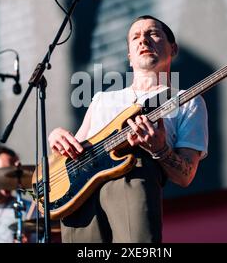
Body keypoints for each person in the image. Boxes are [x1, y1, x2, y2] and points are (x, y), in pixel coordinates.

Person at [48, 15, 208, 243]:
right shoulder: (102, 99)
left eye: (153, 34)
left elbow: (185, 176)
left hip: (132, 180)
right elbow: (73, 152)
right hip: (81, 199)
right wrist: (57, 139)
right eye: (135, 37)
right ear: (130, 57)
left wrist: (160, 149)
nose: (143, 40)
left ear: (173, 48)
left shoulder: (187, 100)